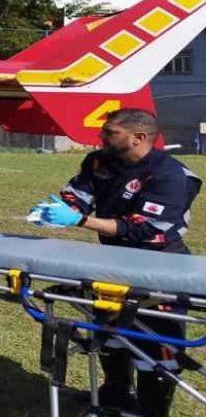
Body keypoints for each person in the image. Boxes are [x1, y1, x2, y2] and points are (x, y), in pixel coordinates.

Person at [32, 108, 201, 417]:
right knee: (109, 331)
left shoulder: (170, 175)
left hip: (158, 264)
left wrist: (80, 220)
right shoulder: (99, 161)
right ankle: (116, 396)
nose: (102, 137)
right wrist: (61, 207)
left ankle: (150, 410)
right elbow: (79, 191)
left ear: (138, 138)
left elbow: (144, 229)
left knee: (156, 344)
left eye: (110, 133)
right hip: (112, 260)